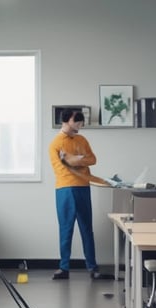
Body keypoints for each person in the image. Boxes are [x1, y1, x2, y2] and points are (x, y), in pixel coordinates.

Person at [48, 109, 100, 280]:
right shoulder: (56, 143)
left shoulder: (82, 140)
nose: (80, 124)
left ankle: (93, 267)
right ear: (67, 120)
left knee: (87, 228)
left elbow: (93, 159)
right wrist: (78, 161)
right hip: (65, 188)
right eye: (77, 120)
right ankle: (64, 268)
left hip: (83, 187)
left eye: (81, 121)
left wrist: (75, 159)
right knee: (66, 229)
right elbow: (62, 168)